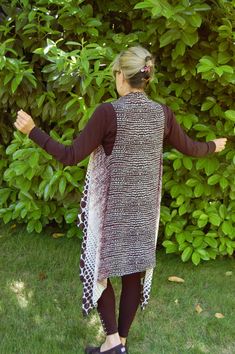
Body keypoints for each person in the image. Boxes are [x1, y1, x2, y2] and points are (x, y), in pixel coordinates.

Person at [14, 46, 227, 354]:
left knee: (99, 267)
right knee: (132, 274)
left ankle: (113, 341)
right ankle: (119, 344)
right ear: (146, 77)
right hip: (144, 211)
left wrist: (33, 130)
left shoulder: (108, 112)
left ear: (120, 75)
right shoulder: (162, 114)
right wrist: (214, 146)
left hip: (112, 211)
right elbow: (191, 148)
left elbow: (71, 156)